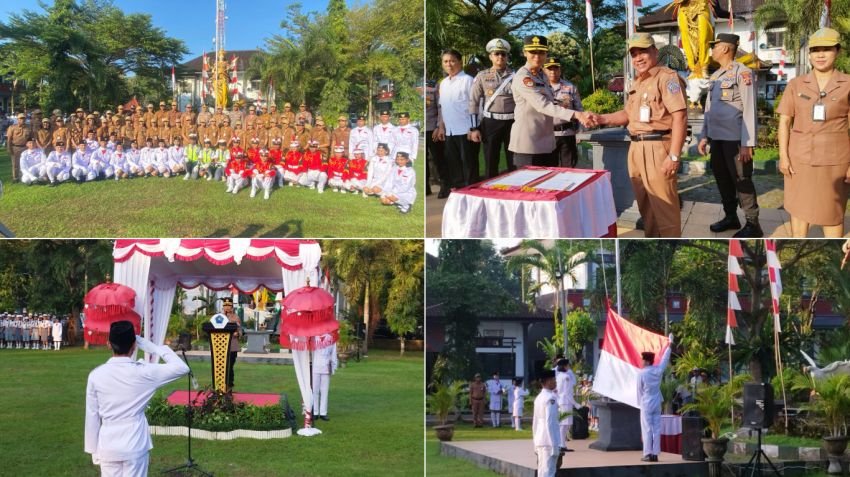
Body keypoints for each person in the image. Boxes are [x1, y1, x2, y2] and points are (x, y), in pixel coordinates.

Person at [596, 32, 688, 238]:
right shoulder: (638, 82)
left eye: (643, 52)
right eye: (634, 54)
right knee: (646, 206)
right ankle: (654, 245)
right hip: (636, 148)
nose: (638, 58)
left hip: (658, 148)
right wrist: (601, 118)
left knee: (665, 208)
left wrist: (673, 156)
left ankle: (669, 249)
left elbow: (680, 117)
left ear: (655, 51)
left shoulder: (667, 78)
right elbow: (627, 114)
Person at [85, 321, 189, 476]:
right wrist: (154, 348)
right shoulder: (144, 372)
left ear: (109, 344)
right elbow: (182, 368)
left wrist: (93, 449)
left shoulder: (96, 375)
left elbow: (92, 415)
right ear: (134, 345)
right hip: (134, 441)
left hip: (108, 442)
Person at [777, 27, 850, 237]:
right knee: (798, 211)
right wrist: (783, 156)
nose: (820, 55)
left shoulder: (847, 84)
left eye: (826, 49)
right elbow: (785, 121)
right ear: (809, 54)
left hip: (834, 161)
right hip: (799, 160)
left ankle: (833, 257)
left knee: (832, 213)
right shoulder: (796, 84)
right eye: (815, 50)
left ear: (838, 51)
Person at [697, 33, 762, 237]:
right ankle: (731, 217)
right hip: (717, 139)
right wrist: (704, 136)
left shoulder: (743, 73)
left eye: (714, 47)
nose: (712, 50)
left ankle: (753, 224)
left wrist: (747, 143)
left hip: (735, 140)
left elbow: (749, 108)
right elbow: (709, 109)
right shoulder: (716, 76)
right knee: (722, 178)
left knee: (741, 180)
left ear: (725, 48)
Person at [510, 36, 595, 167]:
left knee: (550, 184)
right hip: (528, 144)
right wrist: (576, 115)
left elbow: (551, 102)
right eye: (533, 52)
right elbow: (542, 105)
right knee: (530, 186)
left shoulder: (542, 75)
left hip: (547, 143)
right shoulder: (523, 77)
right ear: (525, 52)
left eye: (541, 52)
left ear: (546, 54)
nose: (537, 56)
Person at [469, 38, 517, 178]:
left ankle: (514, 191)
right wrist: (474, 128)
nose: (500, 57)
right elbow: (473, 102)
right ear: (491, 56)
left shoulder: (516, 76)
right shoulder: (482, 76)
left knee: (513, 160)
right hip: (491, 123)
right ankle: (490, 191)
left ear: (507, 56)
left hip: (512, 123)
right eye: (496, 54)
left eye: (503, 54)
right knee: (490, 160)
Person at [436, 49, 475, 193]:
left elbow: (475, 105)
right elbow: (443, 107)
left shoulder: (468, 80)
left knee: (468, 165)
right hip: (450, 131)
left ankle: (471, 193)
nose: (449, 64)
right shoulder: (444, 83)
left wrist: (473, 128)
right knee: (454, 164)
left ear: (460, 62)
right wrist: (441, 126)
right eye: (445, 61)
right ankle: (459, 192)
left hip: (466, 130)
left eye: (452, 61)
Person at [637, 333, 674, 462]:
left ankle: (647, 454)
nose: (641, 361)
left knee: (647, 429)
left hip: (646, 402)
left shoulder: (641, 373)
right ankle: (655, 453)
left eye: (642, 359)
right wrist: (669, 345)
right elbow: (664, 360)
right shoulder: (658, 370)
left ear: (646, 361)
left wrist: (639, 404)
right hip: (657, 401)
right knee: (656, 429)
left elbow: (639, 391)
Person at [545, 58, 584, 167]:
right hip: (547, 135)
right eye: (549, 69)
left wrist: (580, 132)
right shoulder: (540, 88)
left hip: (567, 133)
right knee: (549, 169)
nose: (553, 72)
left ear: (560, 70)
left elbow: (579, 109)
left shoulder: (570, 87)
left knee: (569, 168)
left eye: (555, 69)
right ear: (544, 70)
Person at [533, 369, 564, 477]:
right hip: (549, 442)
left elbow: (535, 423)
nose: (555, 382)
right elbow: (550, 422)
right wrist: (554, 445)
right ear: (548, 381)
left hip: (540, 440)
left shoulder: (539, 398)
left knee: (542, 471)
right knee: (549, 472)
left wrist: (535, 442)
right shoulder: (551, 398)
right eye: (554, 379)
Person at [312, 335, 338, 421]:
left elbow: (333, 353)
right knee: (315, 391)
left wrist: (334, 367)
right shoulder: (313, 337)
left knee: (324, 391)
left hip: (326, 366)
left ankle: (323, 413)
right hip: (315, 366)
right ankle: (315, 412)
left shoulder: (331, 338)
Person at [555, 358, 579, 451]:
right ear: (564, 366)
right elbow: (567, 393)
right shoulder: (566, 377)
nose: (569, 366)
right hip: (566, 402)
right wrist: (576, 404)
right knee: (564, 425)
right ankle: (562, 445)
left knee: (564, 425)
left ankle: (562, 444)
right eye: (567, 365)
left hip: (562, 401)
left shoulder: (560, 376)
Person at [222, 298, 242, 390]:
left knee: (230, 365)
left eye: (228, 306)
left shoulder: (236, 317)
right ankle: (222, 382)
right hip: (221, 345)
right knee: (222, 365)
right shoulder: (219, 317)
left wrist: (237, 333)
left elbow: (240, 331)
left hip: (232, 345)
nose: (226, 307)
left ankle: (229, 383)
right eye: (225, 305)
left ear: (232, 307)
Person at [7, 113, 30, 181]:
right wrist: (9, 148)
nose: (22, 120)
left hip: (25, 148)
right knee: (15, 164)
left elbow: (31, 138)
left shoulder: (28, 127)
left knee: (25, 163)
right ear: (17, 119)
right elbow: (9, 139)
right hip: (15, 147)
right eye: (21, 118)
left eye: (23, 118)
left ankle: (24, 176)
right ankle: (15, 177)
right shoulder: (12, 127)